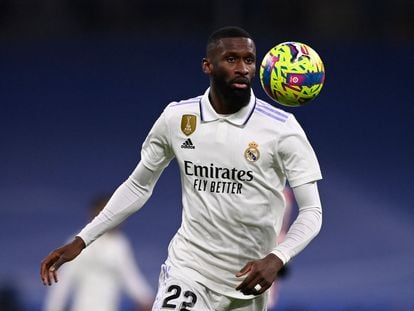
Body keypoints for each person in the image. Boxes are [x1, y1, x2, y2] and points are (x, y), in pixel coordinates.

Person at [41, 26, 323, 311]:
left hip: (248, 284)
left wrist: (278, 257)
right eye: (231, 59)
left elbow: (312, 211)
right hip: (189, 272)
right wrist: (83, 239)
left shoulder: (281, 128)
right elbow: (138, 185)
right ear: (207, 66)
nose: (242, 68)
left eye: (249, 60)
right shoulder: (178, 118)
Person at [43, 195, 154, 311]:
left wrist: (147, 300)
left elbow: (130, 277)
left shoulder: (119, 244)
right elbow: (63, 283)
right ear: (96, 214)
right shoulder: (77, 243)